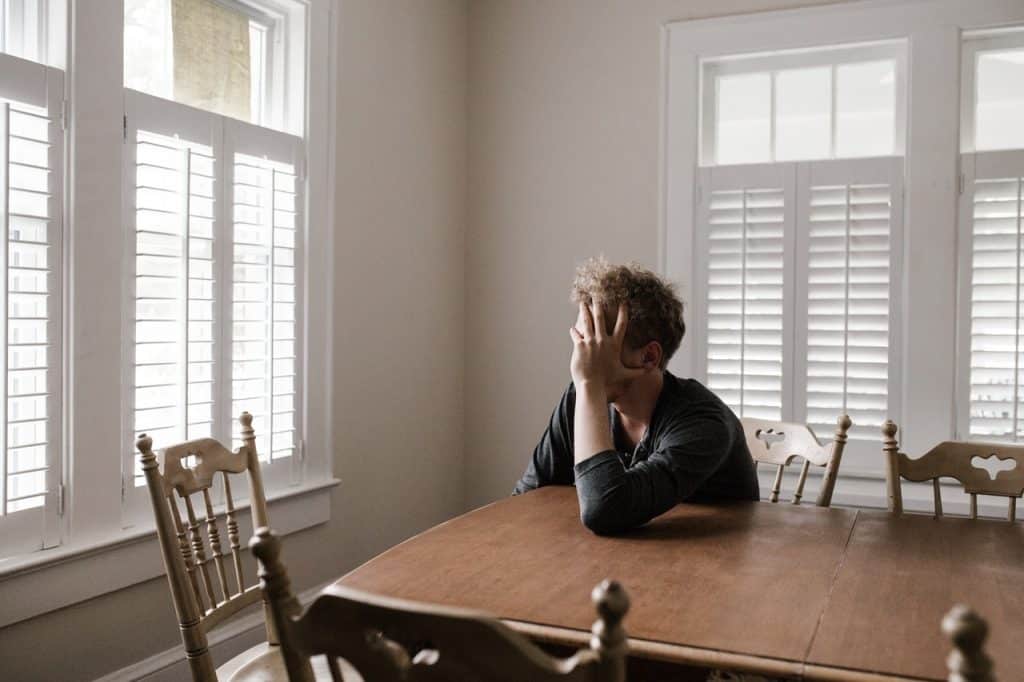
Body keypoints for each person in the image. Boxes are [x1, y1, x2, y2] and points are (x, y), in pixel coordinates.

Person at [514, 257, 759, 534]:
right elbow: (526, 498)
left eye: (596, 345)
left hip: (714, 565)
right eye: (581, 342)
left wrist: (590, 384)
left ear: (649, 356)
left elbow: (605, 510)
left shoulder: (704, 423)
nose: (581, 360)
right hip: (621, 560)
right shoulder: (581, 397)